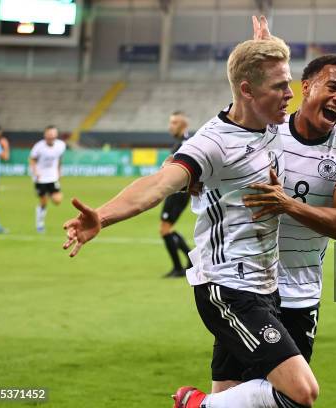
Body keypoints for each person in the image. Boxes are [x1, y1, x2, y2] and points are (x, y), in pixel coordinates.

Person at [63, 20, 319, 408]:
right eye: (280, 87)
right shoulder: (212, 144)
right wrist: (103, 215)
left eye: (289, 83)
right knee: (300, 393)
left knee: (233, 399)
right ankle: (193, 405)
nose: (290, 94)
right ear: (248, 92)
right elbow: (160, 182)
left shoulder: (267, 122)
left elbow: (247, 77)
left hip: (265, 286)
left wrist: (263, 46)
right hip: (229, 290)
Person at [240, 54, 336, 365]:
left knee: (291, 396)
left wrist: (285, 204)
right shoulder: (265, 127)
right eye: (334, 88)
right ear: (306, 87)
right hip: (246, 286)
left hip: (301, 292)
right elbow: (207, 151)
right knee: (237, 386)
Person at [160, 111, 192, 278]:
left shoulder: (185, 144)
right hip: (176, 191)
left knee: (165, 229)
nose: (170, 126)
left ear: (183, 124)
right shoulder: (181, 142)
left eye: (174, 122)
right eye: (171, 122)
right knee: (166, 229)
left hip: (179, 192)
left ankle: (180, 267)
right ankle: (188, 261)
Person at [30, 125, 67, 232]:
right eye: (49, 134)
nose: (51, 136)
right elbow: (32, 159)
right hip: (40, 178)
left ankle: (48, 193)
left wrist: (59, 171)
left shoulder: (61, 145)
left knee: (58, 200)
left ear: (56, 135)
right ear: (45, 135)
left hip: (53, 177)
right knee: (44, 202)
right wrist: (35, 172)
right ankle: (40, 224)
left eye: (53, 134)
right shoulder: (38, 146)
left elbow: (60, 158)